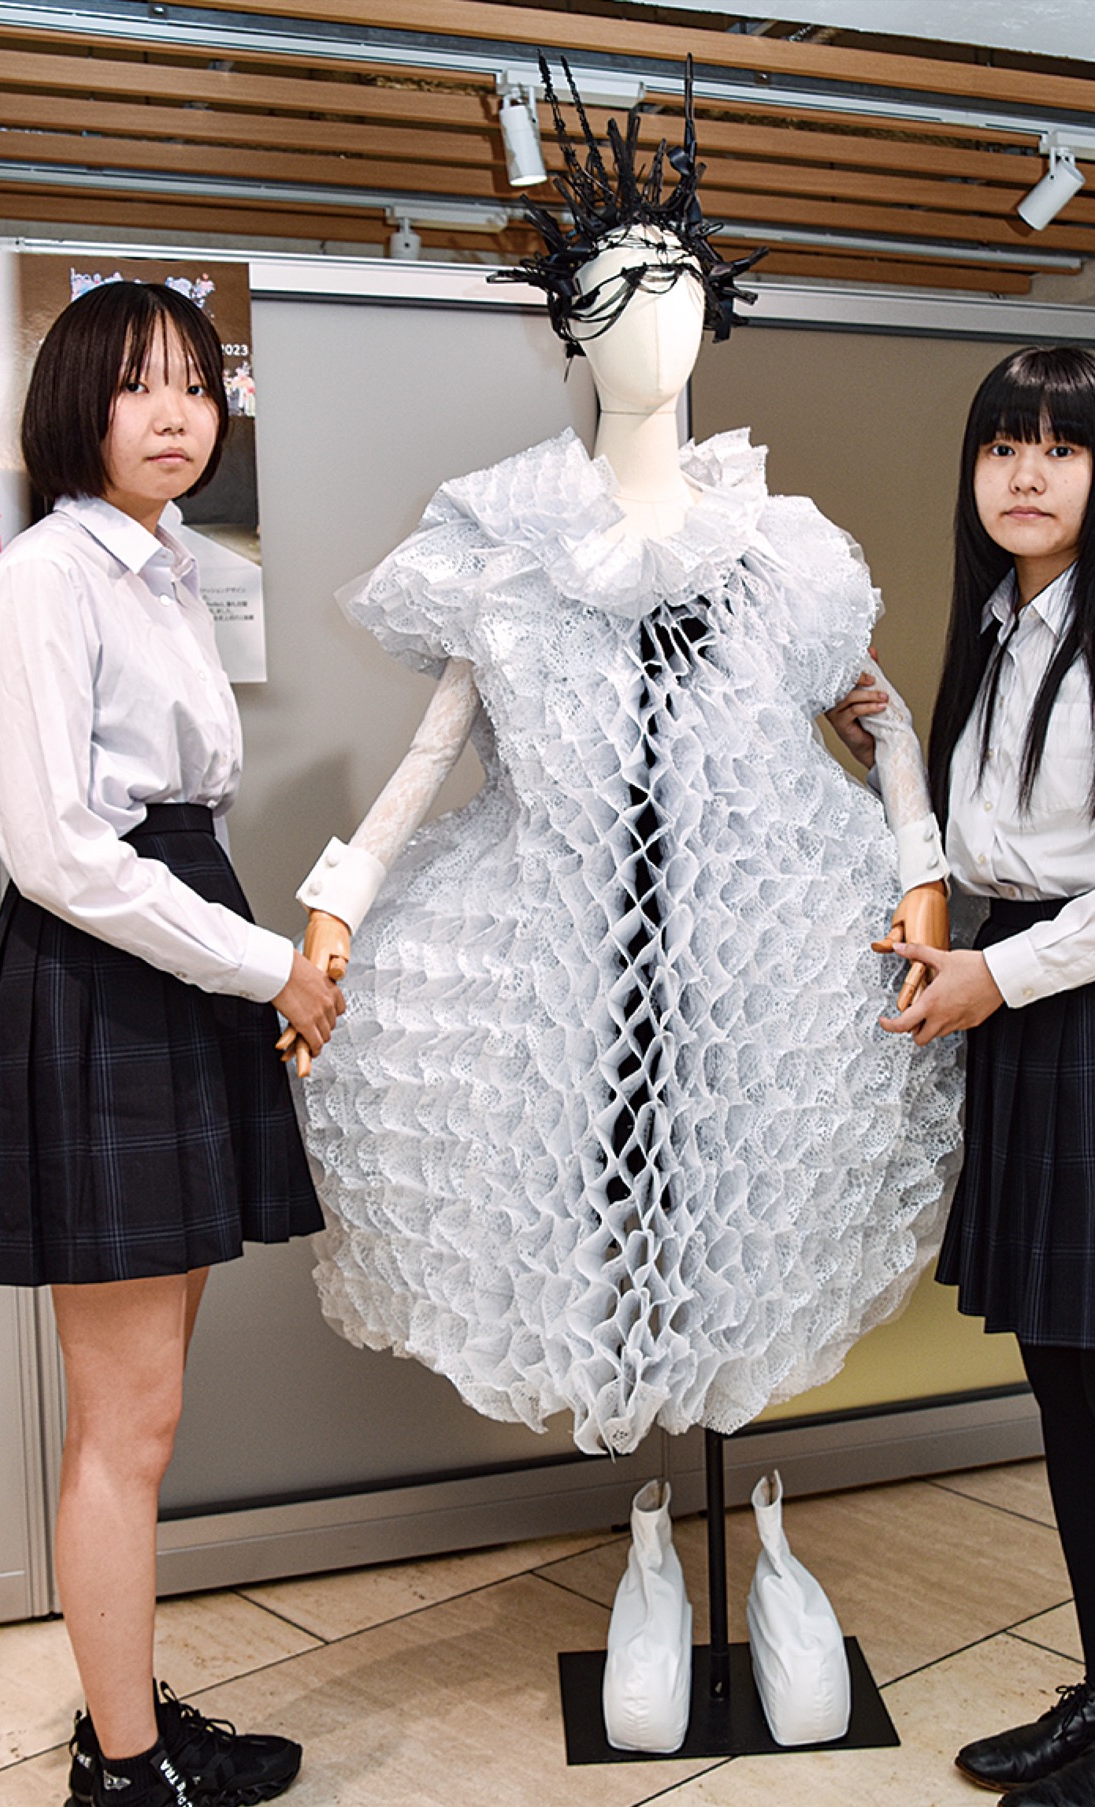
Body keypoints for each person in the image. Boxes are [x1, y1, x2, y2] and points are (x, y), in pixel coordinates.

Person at [286, 67, 961, 1460]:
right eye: (615, 292)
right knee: (574, 1204)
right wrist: (339, 901)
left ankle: (717, 1500)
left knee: (737, 1201)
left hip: (756, 944)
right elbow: (436, 744)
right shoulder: (510, 543)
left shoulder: (784, 553)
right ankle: (647, 1513)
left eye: (674, 289)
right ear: (571, 326)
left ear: (713, 312)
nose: (650, 320)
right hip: (563, 945)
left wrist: (922, 873)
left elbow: (882, 717)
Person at [0, 280, 343, 1807]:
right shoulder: (46, 573)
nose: (175, 411)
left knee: (149, 1410)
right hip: (112, 972)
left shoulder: (169, 564)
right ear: (76, 403)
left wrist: (251, 961)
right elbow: (59, 849)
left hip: (176, 954)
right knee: (121, 1423)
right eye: (138, 383)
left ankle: (121, 1720)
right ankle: (125, 1790)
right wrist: (268, 966)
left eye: (196, 382)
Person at [852, 344, 1095, 1807]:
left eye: (1061, 447)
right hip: (1026, 996)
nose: (1028, 474)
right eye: (1003, 447)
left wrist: (1002, 975)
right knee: (1063, 1376)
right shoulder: (995, 627)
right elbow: (982, 837)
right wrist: (888, 737)